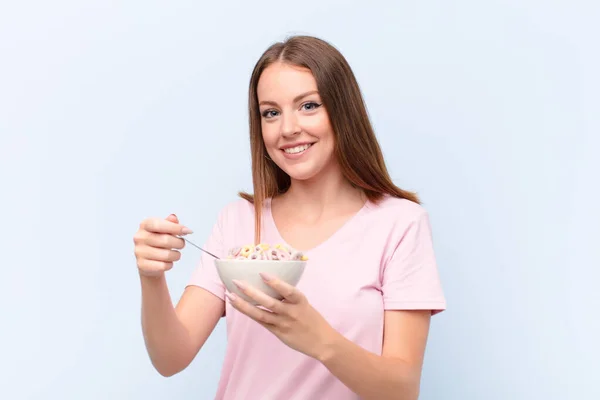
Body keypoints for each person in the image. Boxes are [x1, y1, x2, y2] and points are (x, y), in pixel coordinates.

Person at [133, 35, 446, 400]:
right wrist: (151, 278)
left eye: (309, 105)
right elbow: (171, 358)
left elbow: (402, 390)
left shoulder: (400, 224)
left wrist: (320, 340)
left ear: (343, 111)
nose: (288, 128)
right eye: (271, 112)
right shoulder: (238, 222)